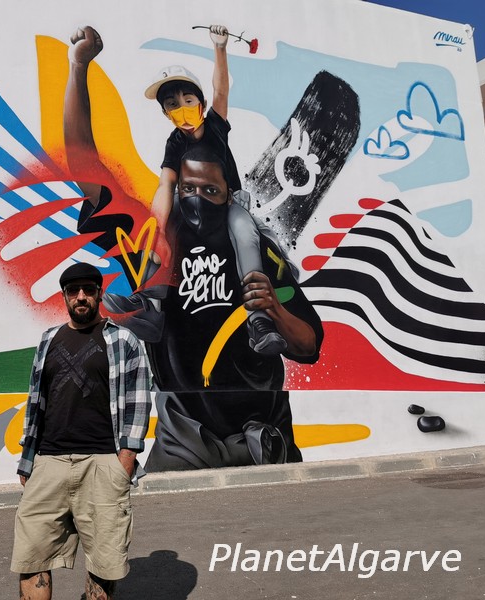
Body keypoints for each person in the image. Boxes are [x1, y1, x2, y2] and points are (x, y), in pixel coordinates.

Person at [62, 26, 323, 470]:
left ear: (226, 188)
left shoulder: (260, 249)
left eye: (210, 189)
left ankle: (257, 323)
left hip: (265, 441)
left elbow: (309, 345)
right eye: (189, 189)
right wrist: (78, 67)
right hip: (184, 441)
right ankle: (150, 304)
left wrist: (274, 310)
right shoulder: (155, 238)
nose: (198, 198)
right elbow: (86, 168)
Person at [10, 262, 153, 600]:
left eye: (88, 290)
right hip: (49, 461)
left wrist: (124, 462)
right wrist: (28, 461)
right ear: (64, 296)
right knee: (31, 557)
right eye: (73, 291)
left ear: (99, 294)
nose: (81, 297)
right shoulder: (48, 340)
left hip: (102, 462)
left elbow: (138, 401)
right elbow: (36, 401)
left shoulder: (123, 340)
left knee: (104, 563)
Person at [145, 25, 287, 355]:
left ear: (202, 103)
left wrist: (220, 48)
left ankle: (258, 319)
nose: (182, 110)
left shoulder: (215, 126)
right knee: (153, 231)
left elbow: (221, 90)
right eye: (172, 104)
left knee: (246, 234)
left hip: (227, 202)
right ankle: (148, 307)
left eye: (188, 101)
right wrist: (158, 230)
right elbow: (165, 184)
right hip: (188, 203)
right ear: (165, 113)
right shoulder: (174, 142)